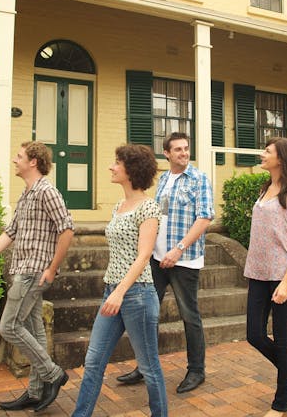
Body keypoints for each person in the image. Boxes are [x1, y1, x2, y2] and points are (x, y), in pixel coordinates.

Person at [0, 141, 74, 412]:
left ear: (33, 161)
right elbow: (10, 233)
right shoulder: (26, 193)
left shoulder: (47, 192)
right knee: (35, 331)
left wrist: (52, 268)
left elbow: (67, 229)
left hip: (34, 272)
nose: (15, 160)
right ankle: (36, 392)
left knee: (10, 327)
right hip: (22, 269)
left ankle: (52, 373)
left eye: (20, 156)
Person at [72, 144, 168, 417]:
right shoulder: (118, 206)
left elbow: (144, 255)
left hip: (137, 294)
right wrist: (113, 291)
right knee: (93, 362)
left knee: (148, 367)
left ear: (131, 169)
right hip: (112, 290)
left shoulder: (148, 207)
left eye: (117, 163)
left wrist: (120, 292)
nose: (111, 167)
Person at [116, 132, 214, 394]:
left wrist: (179, 250)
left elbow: (204, 219)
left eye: (186, 148)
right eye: (178, 149)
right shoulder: (162, 180)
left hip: (184, 260)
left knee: (189, 316)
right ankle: (144, 366)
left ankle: (196, 370)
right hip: (157, 259)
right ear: (167, 154)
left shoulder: (199, 179)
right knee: (148, 314)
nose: (183, 153)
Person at [244, 137, 287, 417]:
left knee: (283, 341)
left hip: (283, 274)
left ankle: (280, 404)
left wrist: (286, 280)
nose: (262, 154)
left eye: (267, 151)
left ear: (281, 158)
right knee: (254, 335)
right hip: (258, 273)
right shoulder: (265, 188)